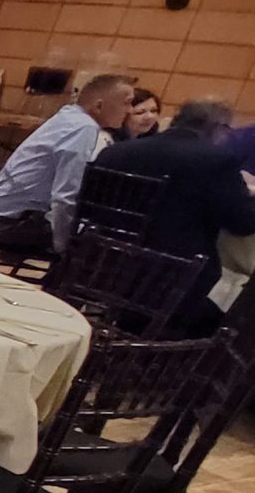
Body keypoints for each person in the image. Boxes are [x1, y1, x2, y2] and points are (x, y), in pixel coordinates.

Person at [93, 97, 255, 328]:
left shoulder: (115, 151)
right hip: (171, 278)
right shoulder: (216, 161)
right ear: (218, 128)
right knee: (224, 317)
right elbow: (242, 223)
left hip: (101, 265)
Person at [0, 70, 135, 254]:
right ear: (99, 106)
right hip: (12, 225)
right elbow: (65, 196)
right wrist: (62, 247)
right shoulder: (83, 128)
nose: (130, 110)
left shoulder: (69, 117)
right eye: (127, 103)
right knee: (109, 240)